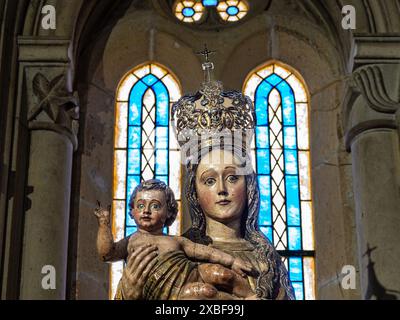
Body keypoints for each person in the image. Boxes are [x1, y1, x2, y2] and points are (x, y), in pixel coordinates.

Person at [94, 179, 258, 300]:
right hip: (172, 293)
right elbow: (107, 253)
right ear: (132, 210)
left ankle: (252, 296)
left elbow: (205, 252)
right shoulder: (132, 241)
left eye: (155, 206)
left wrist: (232, 262)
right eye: (141, 205)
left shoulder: (175, 241)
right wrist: (103, 225)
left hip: (193, 271)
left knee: (222, 274)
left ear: (169, 212)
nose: (147, 211)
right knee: (206, 292)